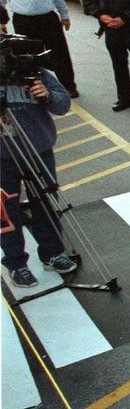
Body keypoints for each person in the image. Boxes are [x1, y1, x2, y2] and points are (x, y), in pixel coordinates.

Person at [1, 51, 77, 287]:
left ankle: (53, 253)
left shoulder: (33, 69)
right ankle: (16, 263)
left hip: (38, 149)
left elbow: (63, 104)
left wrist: (47, 95)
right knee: (5, 212)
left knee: (46, 203)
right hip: (2, 158)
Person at [0, 0, 76, 98]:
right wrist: (1, 24)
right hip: (24, 22)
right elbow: (0, 2)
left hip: (48, 19)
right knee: (29, 58)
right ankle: (37, 90)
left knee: (60, 54)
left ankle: (69, 87)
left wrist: (64, 15)